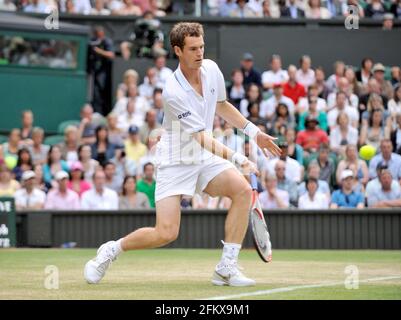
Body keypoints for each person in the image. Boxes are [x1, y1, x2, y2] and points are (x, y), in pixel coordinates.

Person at [84, 22, 281, 287]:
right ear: (178, 51)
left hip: (204, 155)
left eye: (201, 47)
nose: (199, 53)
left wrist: (253, 132)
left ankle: (226, 267)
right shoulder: (173, 91)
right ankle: (112, 250)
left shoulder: (211, 69)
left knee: (243, 192)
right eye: (192, 49)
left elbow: (222, 106)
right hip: (176, 159)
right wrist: (237, 158)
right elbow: (200, 137)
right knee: (165, 233)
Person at [87, 26, 115, 115]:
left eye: (100, 35)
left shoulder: (107, 41)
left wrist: (98, 51)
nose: (99, 37)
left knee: (101, 90)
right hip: (92, 70)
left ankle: (102, 112)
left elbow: (111, 55)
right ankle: (95, 111)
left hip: (103, 70)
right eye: (97, 35)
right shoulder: (92, 40)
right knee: (93, 92)